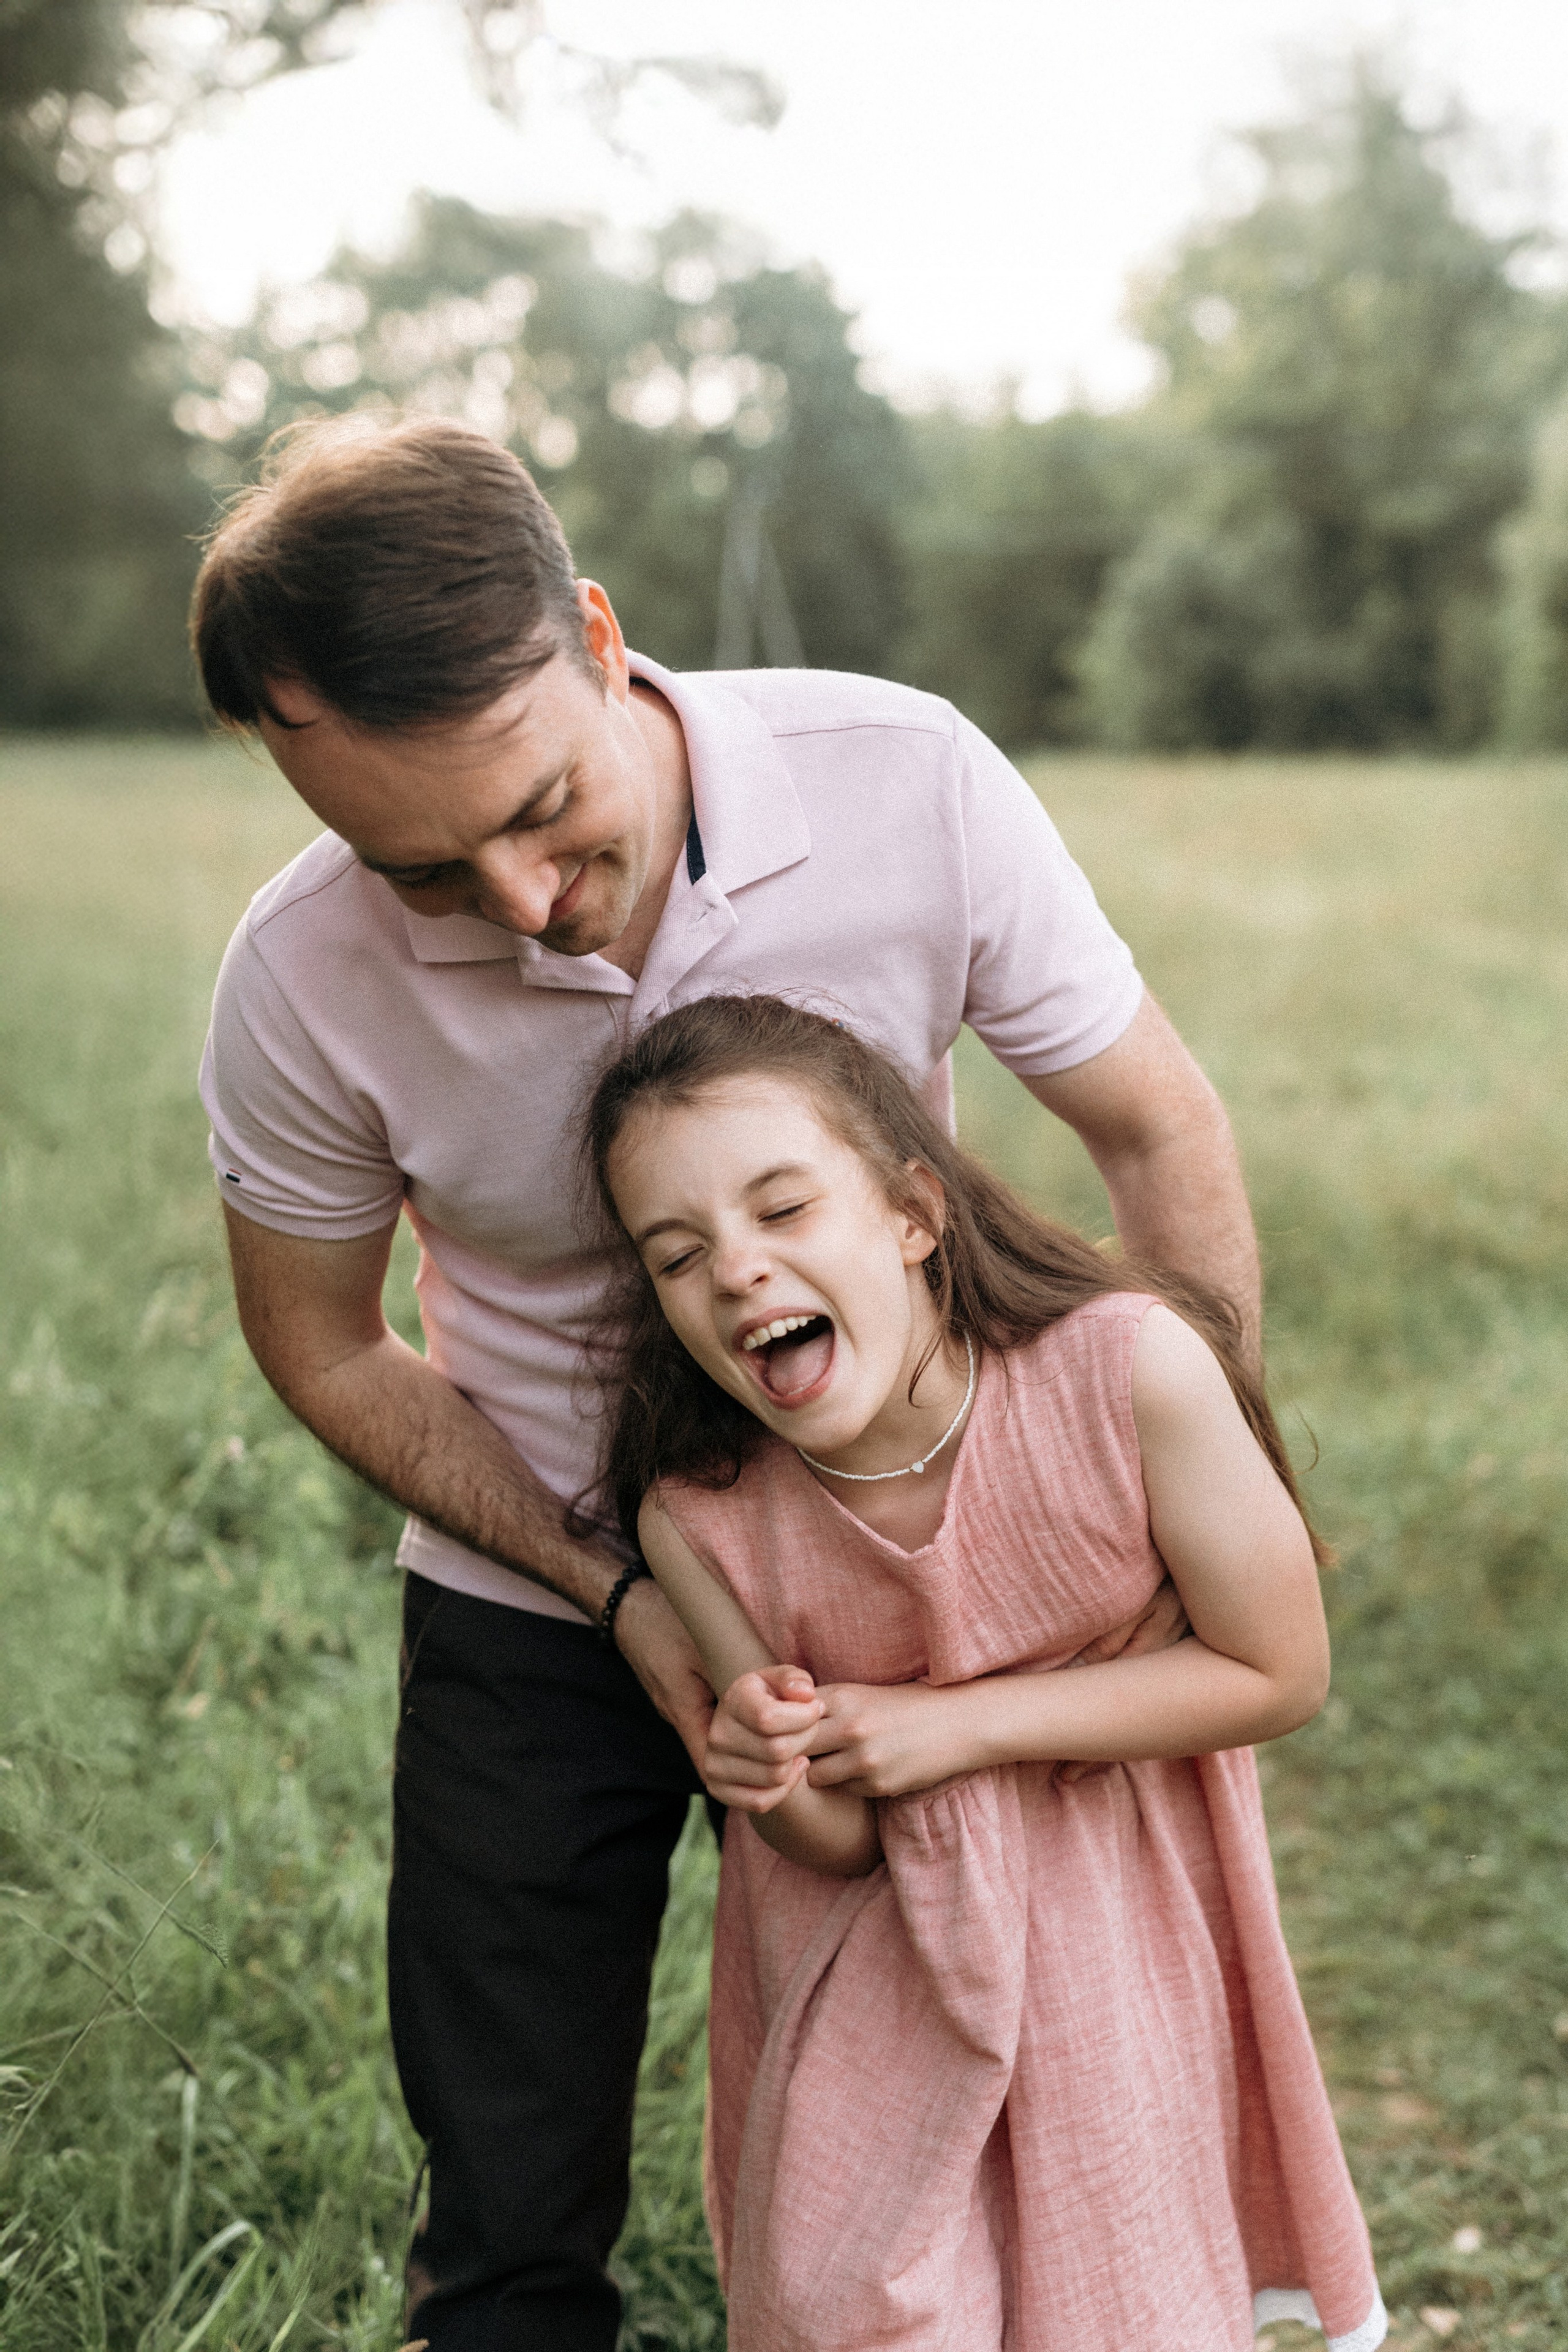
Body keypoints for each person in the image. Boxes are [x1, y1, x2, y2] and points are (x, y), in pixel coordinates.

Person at [191, 412, 1265, 2351]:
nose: (519, 901)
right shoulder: (297, 979)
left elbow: (1156, 1132)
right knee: (508, 2205)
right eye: (424, 869)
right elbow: (323, 1337)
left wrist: (1194, 1516)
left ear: (598, 637)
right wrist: (616, 1588)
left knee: (1022, 2134)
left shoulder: (908, 777)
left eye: (541, 812)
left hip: (924, 1581)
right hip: (540, 1593)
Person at [587, 992, 1385, 2352]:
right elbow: (832, 1842)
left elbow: (1275, 1667)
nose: (735, 1270)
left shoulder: (1124, 1371)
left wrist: (952, 1728)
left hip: (1109, 1964)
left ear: (909, 1212)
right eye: (678, 1254)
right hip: (870, 1997)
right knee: (858, 2308)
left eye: (782, 1211)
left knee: (1112, 2306)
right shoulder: (699, 1514)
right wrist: (755, 1759)